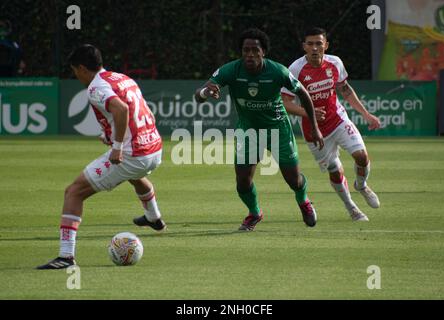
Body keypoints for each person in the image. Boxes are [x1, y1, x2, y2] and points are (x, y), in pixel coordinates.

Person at [37, 44, 165, 269]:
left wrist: (117, 146)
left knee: (73, 192)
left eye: (75, 71)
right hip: (154, 148)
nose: (76, 76)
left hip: (133, 154)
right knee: (134, 174)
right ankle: (154, 218)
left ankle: (66, 257)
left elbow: (122, 109)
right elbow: (145, 111)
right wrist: (114, 136)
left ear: (82, 68)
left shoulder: (96, 88)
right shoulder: (121, 77)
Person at [195, 28, 324, 231]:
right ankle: (255, 213)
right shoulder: (231, 70)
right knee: (242, 182)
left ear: (263, 51)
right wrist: (206, 91)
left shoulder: (277, 71)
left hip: (278, 128)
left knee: (293, 180)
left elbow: (304, 94)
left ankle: (304, 201)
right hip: (249, 131)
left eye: (255, 50)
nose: (250, 54)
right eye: (246, 50)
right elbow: (199, 96)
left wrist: (314, 128)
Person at [281, 27, 381, 222]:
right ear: (304, 47)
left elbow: (345, 89)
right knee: (334, 169)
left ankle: (361, 185)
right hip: (314, 130)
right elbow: (284, 102)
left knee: (361, 156)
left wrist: (367, 115)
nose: (315, 48)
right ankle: (351, 207)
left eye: (319, 43)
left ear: (326, 45)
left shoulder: (335, 63)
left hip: (338, 119)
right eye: (310, 44)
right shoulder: (294, 70)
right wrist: (309, 113)